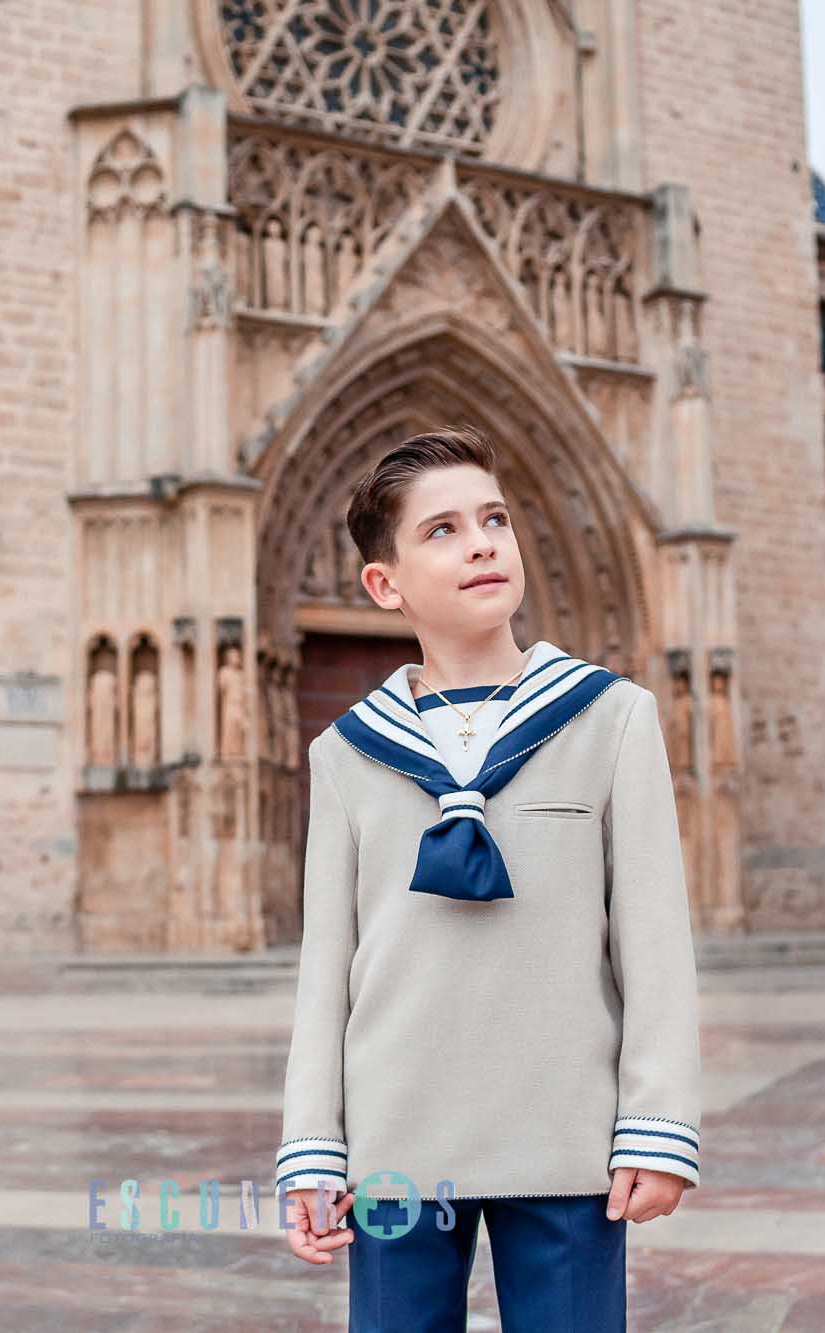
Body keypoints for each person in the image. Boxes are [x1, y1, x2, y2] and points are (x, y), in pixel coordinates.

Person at [273, 426, 703, 1331]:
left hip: (564, 1131)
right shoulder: (345, 753)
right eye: (442, 529)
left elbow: (653, 937)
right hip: (395, 1141)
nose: (480, 542)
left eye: (495, 518)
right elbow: (328, 967)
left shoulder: (611, 720)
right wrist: (313, 1147)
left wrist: (658, 1123)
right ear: (384, 584)